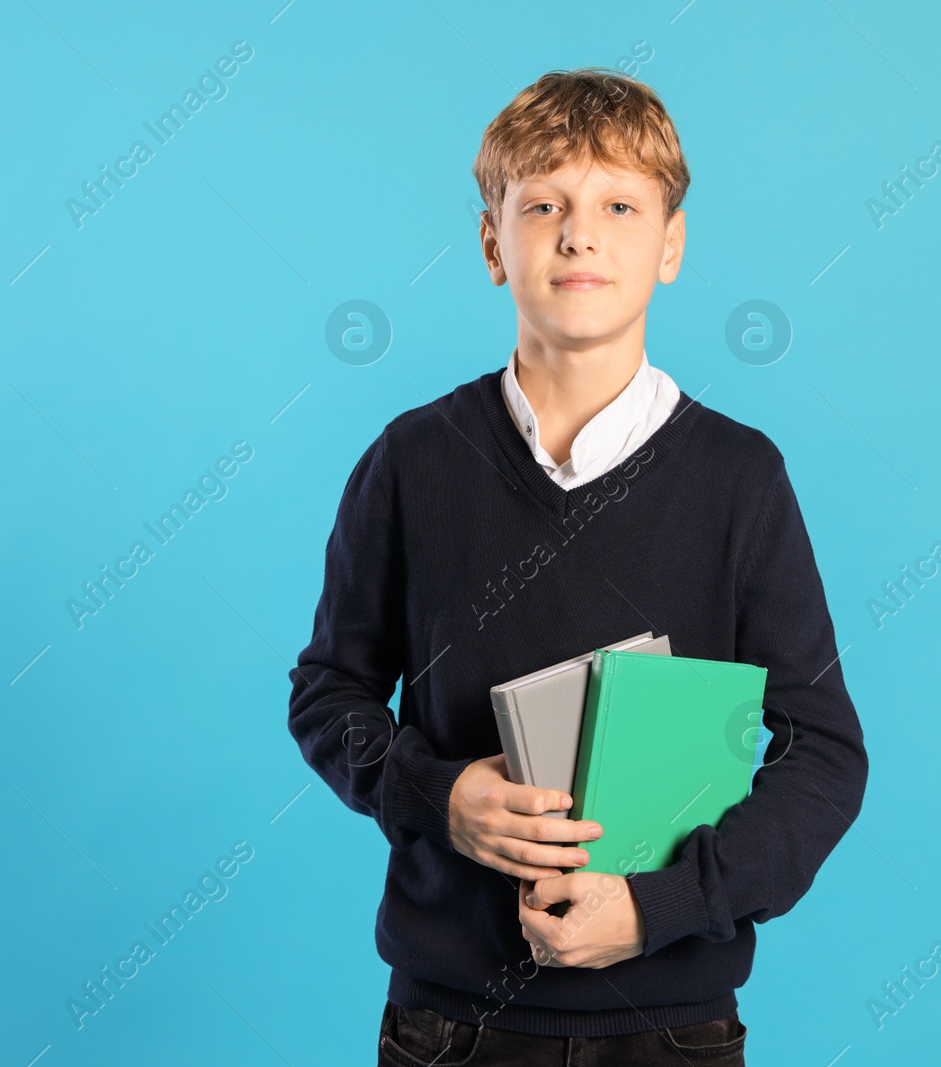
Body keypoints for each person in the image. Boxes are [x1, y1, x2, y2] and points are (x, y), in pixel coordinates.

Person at [287, 65, 869, 1067]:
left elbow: (823, 758)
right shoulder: (412, 461)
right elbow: (328, 691)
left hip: (672, 1029)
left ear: (671, 245)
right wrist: (438, 795)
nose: (577, 232)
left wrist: (656, 907)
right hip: (450, 1029)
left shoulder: (740, 478)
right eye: (543, 204)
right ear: (490, 244)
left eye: (617, 204)